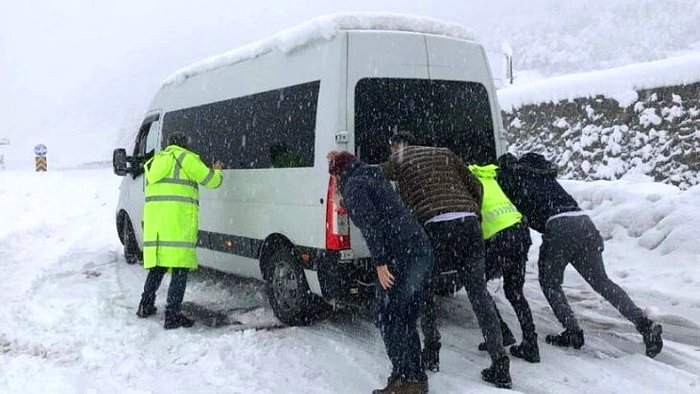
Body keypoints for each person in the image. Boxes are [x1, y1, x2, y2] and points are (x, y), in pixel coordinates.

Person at [497, 152, 663, 358]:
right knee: (602, 282)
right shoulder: (545, 176)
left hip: (558, 225)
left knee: (550, 283)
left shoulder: (513, 178)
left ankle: (572, 331)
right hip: (584, 221)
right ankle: (644, 324)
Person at [383, 132, 512, 389]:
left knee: (426, 289)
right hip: (468, 224)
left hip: (436, 228)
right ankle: (500, 361)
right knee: (478, 294)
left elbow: (378, 174)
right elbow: (476, 184)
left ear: (398, 146)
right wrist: (471, 210)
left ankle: (431, 351)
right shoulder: (444, 152)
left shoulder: (399, 157)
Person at [328, 150, 433, 394]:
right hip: (418, 248)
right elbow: (374, 209)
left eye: (333, 177)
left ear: (338, 173)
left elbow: (371, 225)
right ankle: (412, 377)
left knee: (389, 316)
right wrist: (344, 202)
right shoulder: (371, 175)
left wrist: (381, 263)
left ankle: (406, 378)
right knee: (403, 315)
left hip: (401, 254)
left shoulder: (353, 185)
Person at [136, 132, 223, 329]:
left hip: (157, 227)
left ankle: (145, 305)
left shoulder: (155, 162)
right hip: (178, 225)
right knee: (179, 270)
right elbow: (212, 181)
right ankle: (172, 315)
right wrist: (217, 170)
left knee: (157, 267)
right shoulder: (186, 159)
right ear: (184, 145)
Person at [468, 163, 540, 363]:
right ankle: (530, 343)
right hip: (519, 231)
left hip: (498, 237)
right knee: (515, 292)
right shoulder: (490, 178)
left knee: (477, 286)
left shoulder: (467, 181)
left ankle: (500, 332)